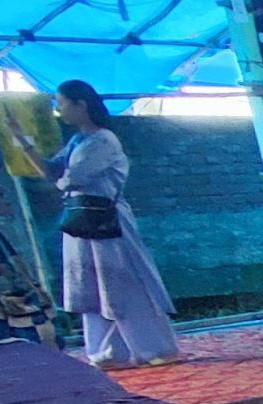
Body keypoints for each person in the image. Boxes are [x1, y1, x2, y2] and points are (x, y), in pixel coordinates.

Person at [12, 79, 179, 368]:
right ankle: (110, 352)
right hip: (81, 221)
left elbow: (71, 178)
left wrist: (61, 179)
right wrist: (22, 141)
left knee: (122, 284)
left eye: (62, 104)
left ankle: (154, 348)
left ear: (81, 105)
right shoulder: (78, 141)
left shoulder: (103, 140)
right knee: (91, 287)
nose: (59, 110)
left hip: (107, 221)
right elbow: (53, 173)